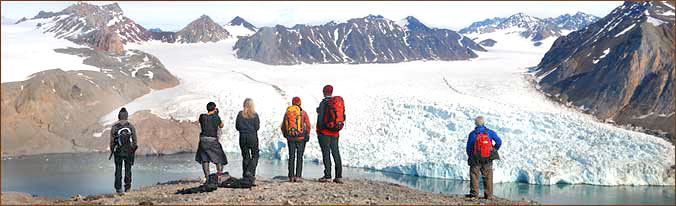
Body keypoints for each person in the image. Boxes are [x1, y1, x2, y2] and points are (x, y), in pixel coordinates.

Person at [465, 116, 502, 199]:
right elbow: (499, 142)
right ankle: (489, 195)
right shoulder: (490, 132)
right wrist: (493, 149)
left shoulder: (472, 134)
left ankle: (474, 194)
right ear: (484, 123)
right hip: (487, 158)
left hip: (475, 159)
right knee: (488, 176)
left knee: (474, 175)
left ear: (475, 123)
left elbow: (468, 147)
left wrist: (471, 156)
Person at [316, 85, 346, 183]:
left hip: (324, 132)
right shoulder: (337, 103)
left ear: (324, 92)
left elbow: (320, 119)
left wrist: (319, 130)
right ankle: (339, 176)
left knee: (326, 153)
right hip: (335, 132)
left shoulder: (324, 103)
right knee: (336, 152)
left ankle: (327, 175)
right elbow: (343, 117)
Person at [280, 97, 312, 182]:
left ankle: (291, 176)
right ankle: (298, 176)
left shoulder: (288, 112)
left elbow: (283, 126)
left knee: (291, 156)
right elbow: (308, 125)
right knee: (299, 157)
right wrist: (307, 134)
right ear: (300, 103)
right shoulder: (303, 113)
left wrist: (285, 134)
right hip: (301, 138)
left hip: (290, 138)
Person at [195, 102, 228, 183]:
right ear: (214, 108)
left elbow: (203, 121)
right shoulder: (216, 117)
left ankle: (207, 178)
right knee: (220, 157)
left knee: (205, 158)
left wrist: (214, 114)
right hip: (212, 139)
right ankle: (219, 176)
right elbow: (221, 125)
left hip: (203, 139)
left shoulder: (202, 116)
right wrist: (217, 114)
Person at [109, 107, 138, 193]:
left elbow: (112, 141)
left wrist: (112, 151)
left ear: (119, 116)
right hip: (129, 151)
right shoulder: (131, 126)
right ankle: (127, 188)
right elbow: (135, 141)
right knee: (128, 169)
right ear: (126, 116)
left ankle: (118, 189)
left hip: (118, 151)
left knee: (118, 169)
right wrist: (132, 150)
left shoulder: (114, 127)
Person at [236, 98, 260, 182]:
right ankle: (250, 172)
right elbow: (257, 127)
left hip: (243, 137)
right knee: (255, 155)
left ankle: (245, 175)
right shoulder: (255, 115)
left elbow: (237, 127)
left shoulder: (240, 114)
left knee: (245, 156)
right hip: (252, 136)